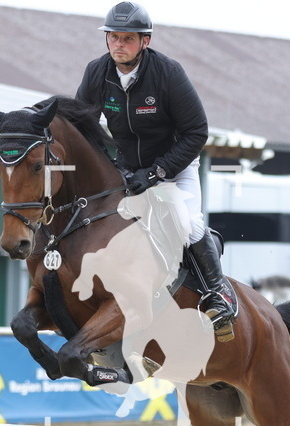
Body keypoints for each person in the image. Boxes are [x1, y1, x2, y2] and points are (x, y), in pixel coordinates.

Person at [76, 1, 237, 340]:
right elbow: (82, 126)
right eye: (113, 37)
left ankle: (218, 292)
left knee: (186, 222)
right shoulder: (96, 73)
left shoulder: (168, 73)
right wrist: (105, 165)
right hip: (126, 168)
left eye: (128, 39)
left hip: (174, 167)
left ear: (145, 41)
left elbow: (197, 132)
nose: (119, 45)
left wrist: (157, 173)